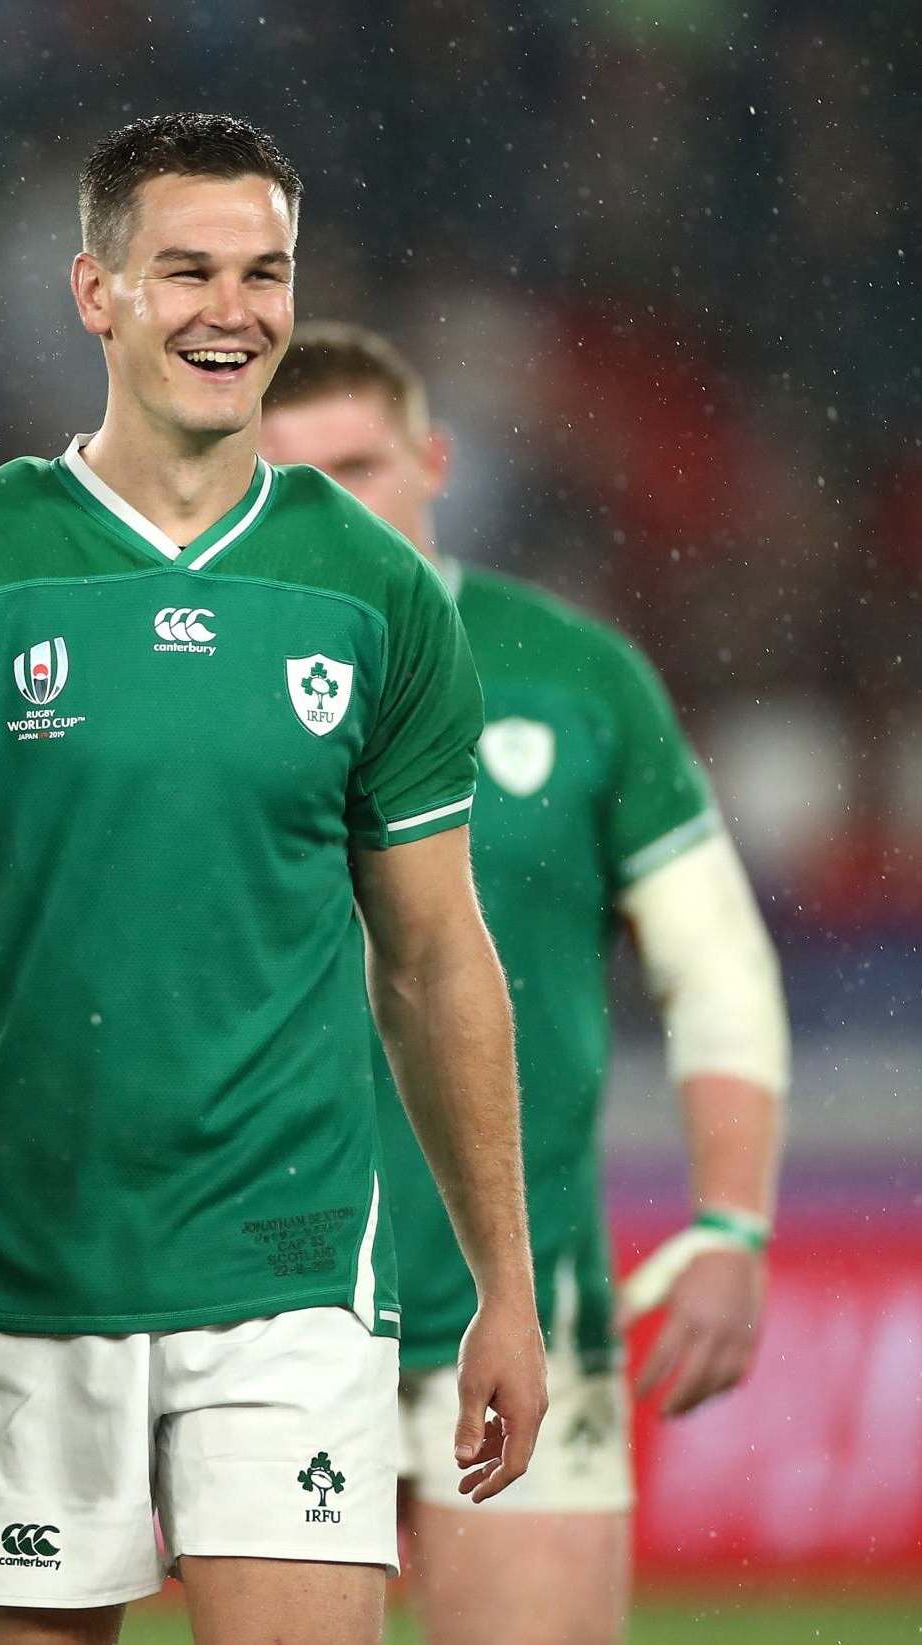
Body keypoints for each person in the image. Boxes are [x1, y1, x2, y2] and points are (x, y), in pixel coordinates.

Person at [0, 111, 549, 1645]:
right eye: (188, 270)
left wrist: (506, 1281)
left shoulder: (374, 592)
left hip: (286, 1272)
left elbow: (433, 957)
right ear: (96, 293)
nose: (234, 310)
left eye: (266, 273)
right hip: (20, 1271)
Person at [261, 322, 789, 1645]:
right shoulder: (188, 680)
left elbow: (713, 959)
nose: (331, 504)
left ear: (435, 460)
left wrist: (730, 1220)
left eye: (360, 464)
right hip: (252, 1304)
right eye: (289, 476)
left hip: (519, 1297)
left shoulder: (577, 674)